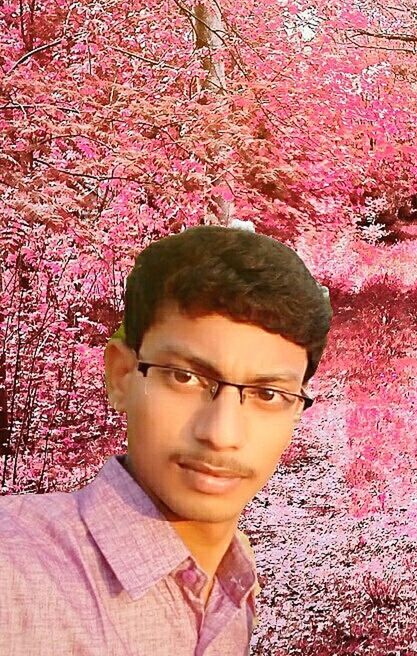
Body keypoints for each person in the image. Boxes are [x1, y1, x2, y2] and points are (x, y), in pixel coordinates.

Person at [0, 225, 333, 655]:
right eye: (185, 377)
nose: (220, 434)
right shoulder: (18, 575)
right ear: (121, 376)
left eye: (268, 394)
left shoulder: (234, 575)